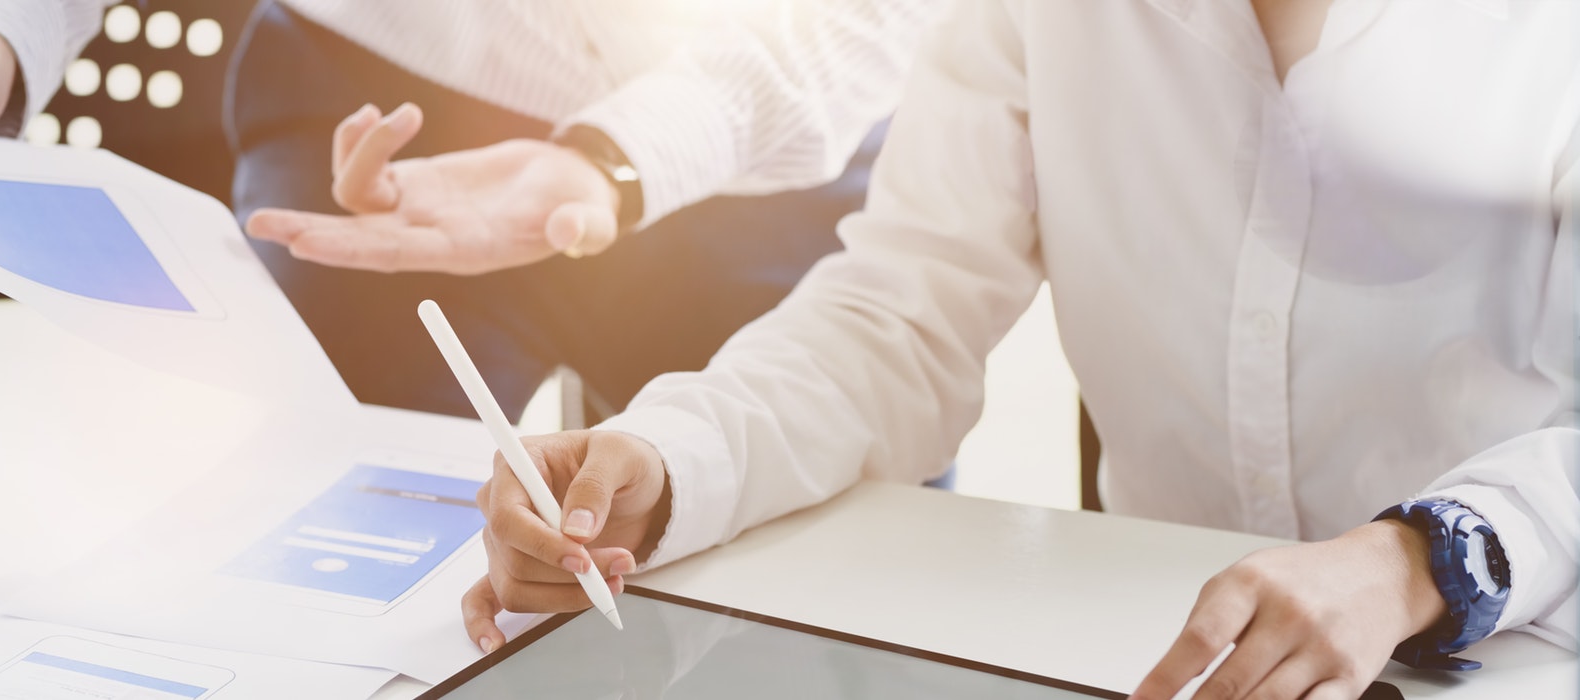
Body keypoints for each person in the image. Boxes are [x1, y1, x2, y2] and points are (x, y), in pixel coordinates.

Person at [463, 1, 1579, 699]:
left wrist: (1415, 560)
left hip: (1512, 645)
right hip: (1150, 654)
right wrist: (670, 462)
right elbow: (904, 311)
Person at [0, 0, 942, 421]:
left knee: (828, 609)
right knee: (307, 546)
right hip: (373, 120)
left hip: (778, 134)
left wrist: (615, 159)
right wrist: (3, 38)